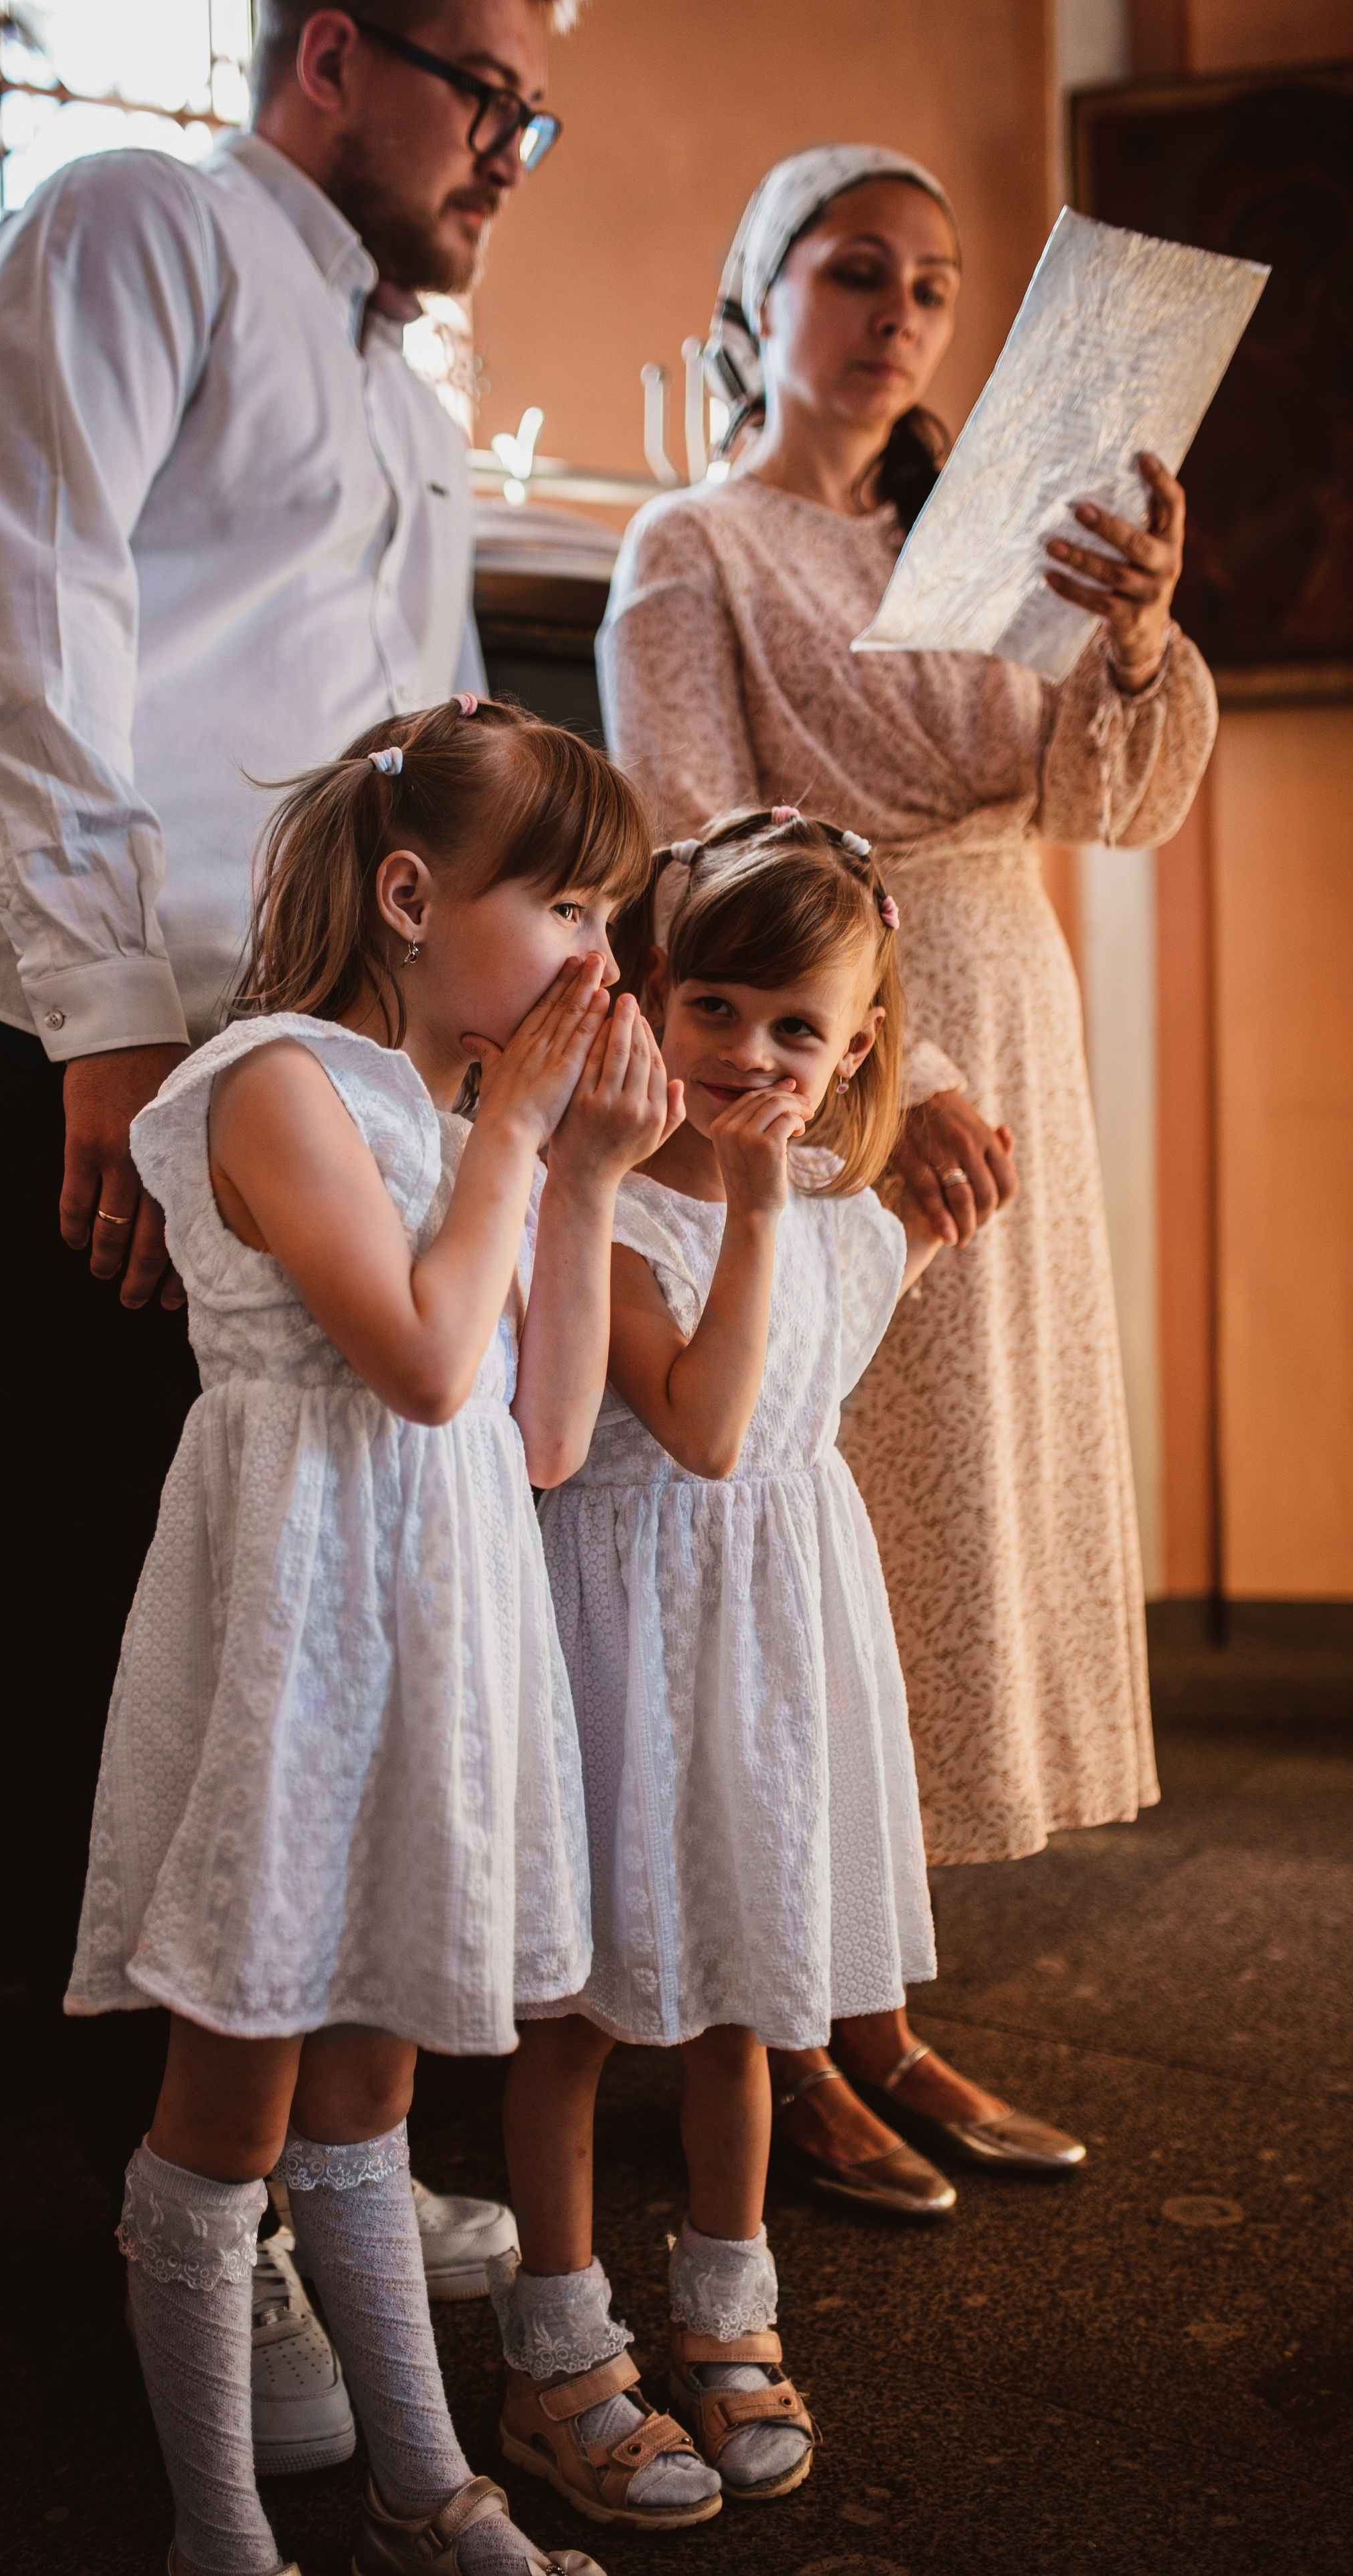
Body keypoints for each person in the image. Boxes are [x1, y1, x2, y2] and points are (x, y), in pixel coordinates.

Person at [0, 0, 578, 2387]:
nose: (513, 154)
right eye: (491, 93)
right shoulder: (136, 227)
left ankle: (306, 2159)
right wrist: (104, 1030)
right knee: (126, 1644)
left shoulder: (405, 391)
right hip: (61, 1037)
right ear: (335, 52)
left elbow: (443, 789)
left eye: (534, 113)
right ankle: (179, 2217)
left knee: (318, 1643)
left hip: (296, 1071)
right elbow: (29, 626)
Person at [597, 144, 1219, 2215]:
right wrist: (897, 1063)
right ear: (759, 293)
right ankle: (763, 2037)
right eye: (857, 270)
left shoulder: (994, 535)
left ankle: (866, 2006)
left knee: (946, 1542)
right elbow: (692, 840)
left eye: (938, 285)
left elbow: (1107, 800)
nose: (901, 311)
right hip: (830, 1068)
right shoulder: (697, 543)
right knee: (803, 1525)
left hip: (1008, 1009)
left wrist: (1132, 640)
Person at [66, 695, 670, 2576]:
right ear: (412, 893)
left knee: (373, 2096)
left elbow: (546, 1430)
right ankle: (221, 2528)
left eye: (610, 919)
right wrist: (513, 1133)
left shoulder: (459, 1118)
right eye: (569, 908)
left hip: (439, 1638)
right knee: (231, 2098)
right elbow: (418, 1364)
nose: (599, 957)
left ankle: (426, 2491)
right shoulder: (277, 1083)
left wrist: (576, 1178)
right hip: (301, 1649)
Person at [493, 810, 973, 2530]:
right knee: (572, 2011)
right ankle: (555, 2339)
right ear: (652, 995)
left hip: (770, 1654)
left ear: (852, 1049)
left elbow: (836, 1342)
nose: (748, 1058)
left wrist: (867, 1192)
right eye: (715, 1009)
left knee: (737, 2007)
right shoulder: (607, 1210)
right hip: (616, 1638)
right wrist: (766, 1199)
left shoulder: (846, 1223)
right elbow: (698, 1427)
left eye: (795, 1030)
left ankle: (726, 2308)